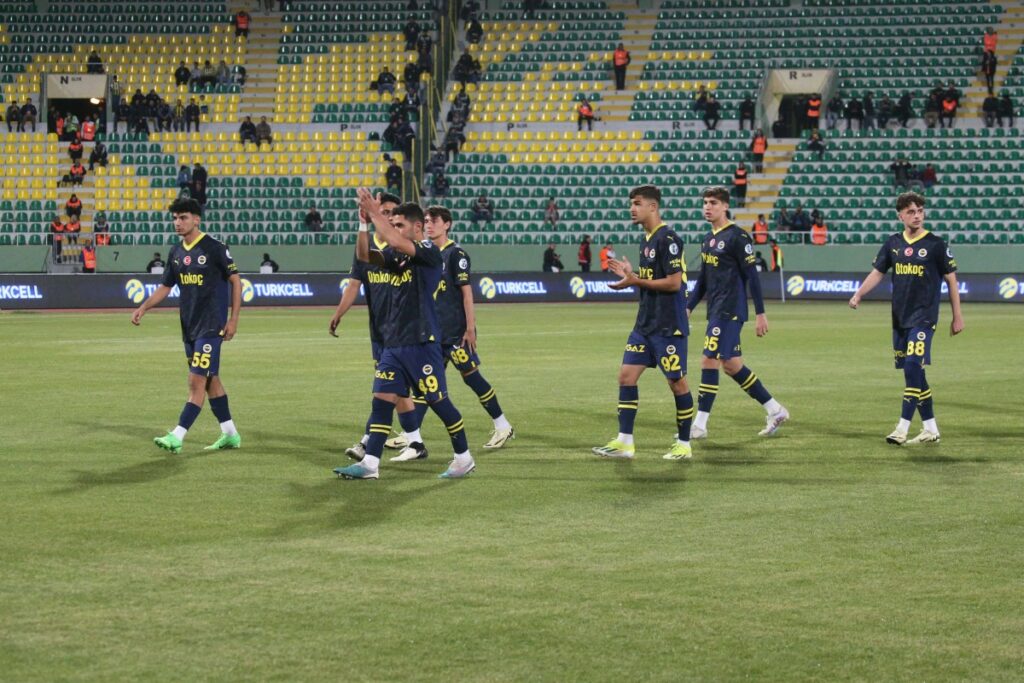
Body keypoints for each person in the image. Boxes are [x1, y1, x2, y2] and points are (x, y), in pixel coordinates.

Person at [334, 190, 476, 480]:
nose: (394, 230)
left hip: (421, 343)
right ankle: (370, 464)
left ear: (417, 228)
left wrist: (376, 213)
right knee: (382, 399)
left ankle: (463, 457)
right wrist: (363, 223)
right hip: (394, 344)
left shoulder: (428, 253)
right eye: (392, 224)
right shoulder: (395, 255)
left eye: (399, 225)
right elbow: (364, 256)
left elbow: (395, 239)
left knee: (439, 402)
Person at [848, 191, 963, 445]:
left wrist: (957, 316)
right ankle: (931, 428)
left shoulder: (936, 244)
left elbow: (952, 280)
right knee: (914, 374)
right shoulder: (893, 243)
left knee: (912, 366)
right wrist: (858, 294)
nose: (917, 215)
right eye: (911, 211)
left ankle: (902, 428)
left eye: (920, 210)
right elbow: (878, 272)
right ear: (900, 215)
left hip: (924, 318)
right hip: (900, 319)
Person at [130, 197, 243, 455]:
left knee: (196, 381)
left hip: (211, 326)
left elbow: (236, 281)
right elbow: (166, 287)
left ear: (196, 219)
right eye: (175, 218)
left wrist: (233, 319)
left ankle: (177, 435)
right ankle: (230, 434)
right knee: (210, 380)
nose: (177, 223)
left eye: (183, 218)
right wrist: (143, 307)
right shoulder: (176, 252)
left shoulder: (214, 248)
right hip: (189, 328)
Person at [591, 185, 694, 461]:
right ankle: (625, 442)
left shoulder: (667, 239)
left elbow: (673, 283)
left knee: (677, 384)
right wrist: (632, 275)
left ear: (653, 206)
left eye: (637, 203)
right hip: (645, 325)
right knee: (626, 376)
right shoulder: (646, 240)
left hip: (668, 327)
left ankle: (684, 443)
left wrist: (636, 280)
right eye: (631, 204)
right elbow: (650, 281)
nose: (632, 209)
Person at [686, 186, 789, 440]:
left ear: (724, 206)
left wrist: (760, 313)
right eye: (705, 203)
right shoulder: (708, 239)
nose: (707, 207)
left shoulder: (738, 237)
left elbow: (751, 276)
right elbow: (703, 281)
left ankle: (699, 425)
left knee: (708, 359)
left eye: (712, 203)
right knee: (732, 365)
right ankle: (774, 409)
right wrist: (687, 307)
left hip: (730, 309)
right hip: (716, 309)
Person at [330, 193, 421, 462]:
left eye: (392, 212)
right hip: (380, 330)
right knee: (397, 389)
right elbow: (355, 283)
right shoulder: (369, 246)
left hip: (405, 331)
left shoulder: (404, 247)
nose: (388, 217)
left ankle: (368, 443)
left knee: (388, 388)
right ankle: (415, 441)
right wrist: (339, 313)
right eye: (383, 212)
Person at [416, 205, 515, 449]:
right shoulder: (426, 254)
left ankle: (502, 425)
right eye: (426, 220)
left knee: (471, 378)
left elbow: (466, 292)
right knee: (425, 382)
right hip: (433, 333)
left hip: (454, 334)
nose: (429, 224)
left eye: (434, 220)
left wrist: (470, 328)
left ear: (446, 224)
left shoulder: (455, 255)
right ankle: (412, 436)